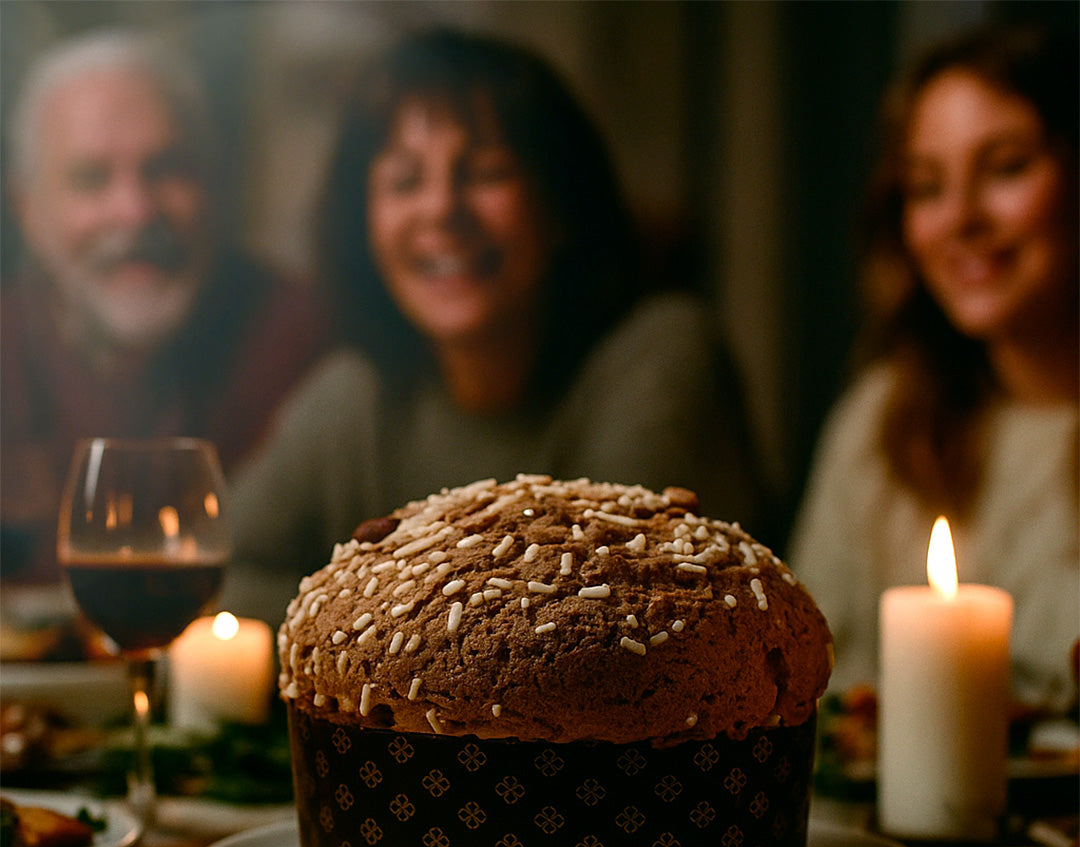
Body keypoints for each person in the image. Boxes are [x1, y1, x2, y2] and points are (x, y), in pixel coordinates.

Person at [223, 26, 765, 625]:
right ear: (365, 228)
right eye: (405, 182)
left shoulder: (661, 356)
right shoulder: (356, 396)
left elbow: (597, 612)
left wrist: (343, 612)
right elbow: (216, 573)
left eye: (484, 173)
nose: (441, 210)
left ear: (560, 206)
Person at [789, 22, 1078, 715]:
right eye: (926, 186)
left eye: (1006, 168)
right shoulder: (882, 421)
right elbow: (807, 690)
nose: (960, 219)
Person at [1, 29, 331, 584]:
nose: (135, 210)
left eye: (166, 168)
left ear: (214, 184)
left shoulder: (306, 338)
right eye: (91, 178)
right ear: (29, 209)